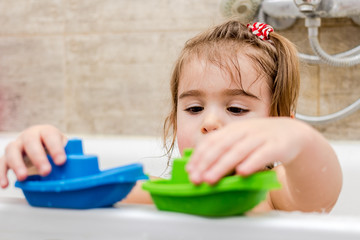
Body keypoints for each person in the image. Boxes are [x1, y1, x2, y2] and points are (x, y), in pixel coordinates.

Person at [0, 21, 342, 213]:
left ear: (280, 123)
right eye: (193, 109)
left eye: (236, 109)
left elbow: (320, 194)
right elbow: (87, 194)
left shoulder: (271, 191)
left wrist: (300, 140)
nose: (209, 122)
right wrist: (43, 159)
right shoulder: (165, 194)